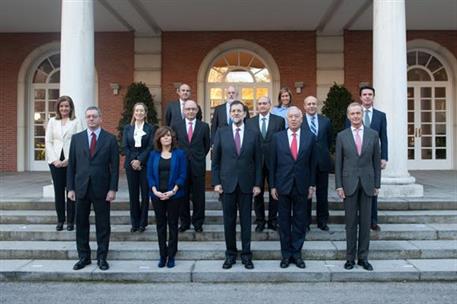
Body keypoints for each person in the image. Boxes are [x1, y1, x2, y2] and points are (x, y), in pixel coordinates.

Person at [67, 106, 119, 271]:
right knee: (81, 224)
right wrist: (70, 188)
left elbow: (115, 168)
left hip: (102, 189)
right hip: (81, 188)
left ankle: (102, 258)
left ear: (100, 119)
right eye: (88, 116)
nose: (91, 119)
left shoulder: (110, 139)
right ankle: (84, 257)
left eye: (94, 116)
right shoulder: (77, 139)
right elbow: (71, 166)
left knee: (103, 225)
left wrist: (112, 189)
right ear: (85, 119)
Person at [212, 100, 261, 270]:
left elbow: (258, 161)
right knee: (229, 222)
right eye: (233, 111)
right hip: (227, 185)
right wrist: (216, 182)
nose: (236, 114)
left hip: (247, 185)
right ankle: (230, 255)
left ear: (245, 114)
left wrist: (257, 184)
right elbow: (216, 160)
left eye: (239, 111)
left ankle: (246, 255)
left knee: (246, 222)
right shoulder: (221, 132)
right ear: (230, 114)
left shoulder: (253, 133)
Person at [336, 102, 381, 271]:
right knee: (350, 223)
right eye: (352, 114)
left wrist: (377, 183)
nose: (355, 116)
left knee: (365, 222)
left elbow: (376, 161)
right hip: (349, 184)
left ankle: (363, 258)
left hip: (368, 184)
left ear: (362, 114)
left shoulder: (373, 134)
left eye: (358, 113)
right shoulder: (342, 136)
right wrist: (339, 186)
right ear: (348, 116)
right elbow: (339, 163)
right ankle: (349, 259)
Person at [270, 106, 316, 269]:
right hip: (282, 186)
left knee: (300, 221)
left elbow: (312, 164)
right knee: (283, 222)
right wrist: (273, 185)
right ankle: (286, 255)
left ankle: (297, 254)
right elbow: (272, 164)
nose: (294, 119)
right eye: (291, 117)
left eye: (297, 116)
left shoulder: (310, 137)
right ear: (287, 119)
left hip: (302, 186)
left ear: (302, 119)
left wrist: (312, 185)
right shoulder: (277, 138)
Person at [345, 85, 387, 232]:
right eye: (365, 94)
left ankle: (372, 221)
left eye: (370, 94)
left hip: (371, 159)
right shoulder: (353, 113)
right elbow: (346, 136)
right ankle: (357, 220)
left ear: (373, 97)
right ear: (361, 97)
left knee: (372, 191)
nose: (367, 96)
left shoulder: (380, 115)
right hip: (355, 161)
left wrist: (384, 157)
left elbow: (384, 138)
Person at [147, 126, 187, 268]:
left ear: (172, 138)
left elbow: (183, 174)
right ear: (159, 138)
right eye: (163, 136)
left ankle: (171, 255)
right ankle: (162, 255)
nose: (166, 138)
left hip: (174, 195)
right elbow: (149, 175)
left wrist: (173, 191)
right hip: (157, 195)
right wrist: (155, 191)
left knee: (173, 225)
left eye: (169, 135)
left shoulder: (179, 154)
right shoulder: (153, 155)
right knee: (161, 226)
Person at [246, 96, 285, 232]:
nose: (262, 106)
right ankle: (260, 221)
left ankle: (273, 220)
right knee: (258, 193)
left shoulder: (279, 121)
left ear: (269, 105)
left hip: (274, 162)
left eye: (265, 103)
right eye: (260, 103)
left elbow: (282, 142)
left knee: (275, 192)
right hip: (256, 163)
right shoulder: (249, 122)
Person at [171, 100, 210, 233]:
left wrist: (197, 157)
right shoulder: (176, 126)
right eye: (188, 109)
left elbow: (206, 146)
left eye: (193, 109)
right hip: (181, 167)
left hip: (198, 166)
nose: (190, 111)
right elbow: (174, 145)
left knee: (199, 196)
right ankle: (185, 222)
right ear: (184, 111)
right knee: (182, 196)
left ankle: (198, 223)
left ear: (197, 110)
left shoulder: (204, 126)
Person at [45, 96, 83, 232]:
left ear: (71, 107)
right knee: (58, 191)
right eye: (61, 106)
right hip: (55, 161)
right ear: (58, 108)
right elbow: (48, 141)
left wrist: (69, 160)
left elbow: (80, 142)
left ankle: (70, 221)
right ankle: (60, 220)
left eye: (66, 106)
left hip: (71, 161)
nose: (64, 109)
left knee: (71, 190)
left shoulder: (76, 121)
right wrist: (55, 160)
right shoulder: (52, 121)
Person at [123, 102, 157, 233]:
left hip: (145, 164)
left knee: (145, 194)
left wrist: (140, 160)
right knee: (133, 195)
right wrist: (133, 160)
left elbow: (150, 146)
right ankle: (134, 223)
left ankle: (143, 223)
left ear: (145, 113)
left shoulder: (150, 128)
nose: (139, 113)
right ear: (133, 113)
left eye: (141, 111)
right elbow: (125, 146)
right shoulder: (127, 128)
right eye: (137, 111)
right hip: (130, 165)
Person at [302, 96, 332, 232]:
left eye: (314, 103)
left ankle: (322, 221)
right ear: (304, 106)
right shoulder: (299, 120)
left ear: (317, 105)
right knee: (306, 194)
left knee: (322, 194)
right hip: (305, 164)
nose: (311, 106)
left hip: (322, 163)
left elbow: (329, 141)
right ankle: (305, 222)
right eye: (309, 104)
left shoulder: (325, 121)